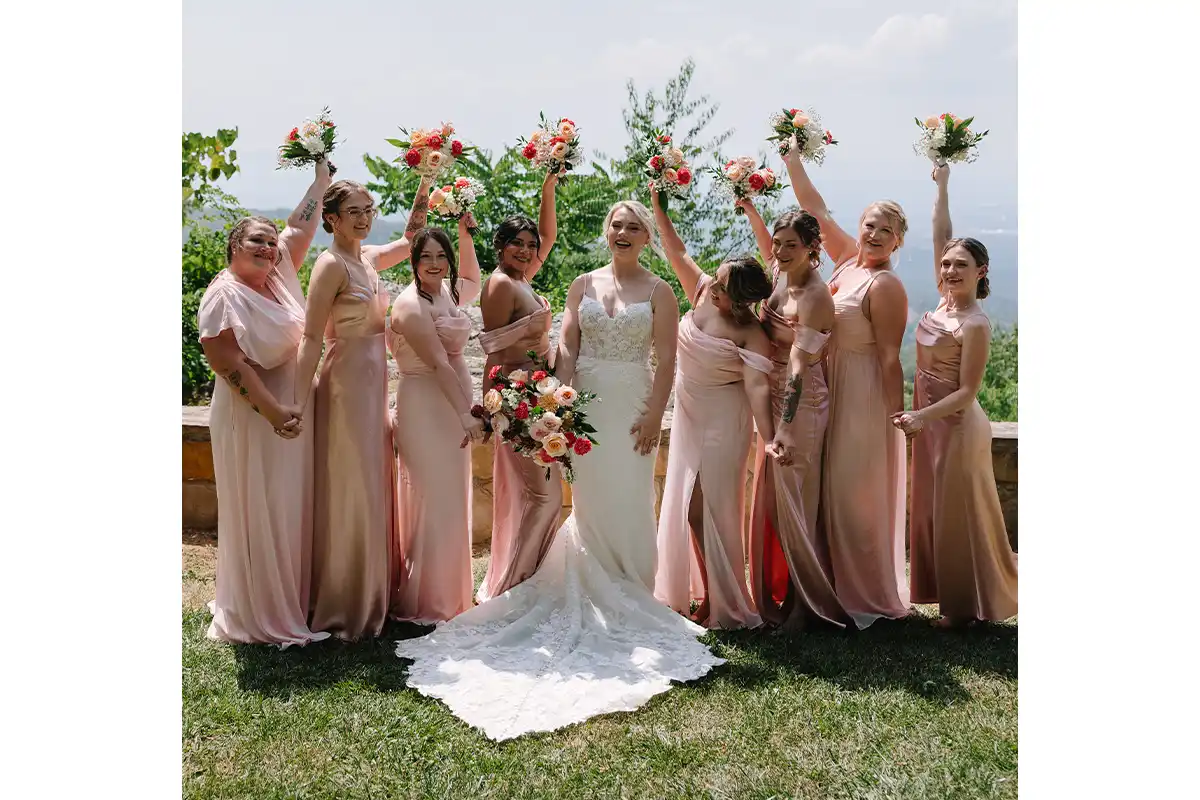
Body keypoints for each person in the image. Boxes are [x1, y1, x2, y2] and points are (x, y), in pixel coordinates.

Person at [394, 199, 723, 742]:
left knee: (631, 494)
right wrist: (560, 404)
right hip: (585, 405)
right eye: (616, 224)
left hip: (633, 404)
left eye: (633, 227)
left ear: (645, 237)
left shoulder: (661, 292)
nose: (622, 232)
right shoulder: (582, 284)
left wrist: (653, 415)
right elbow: (567, 345)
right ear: (607, 231)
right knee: (590, 499)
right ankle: (583, 581)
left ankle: (632, 586)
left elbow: (667, 360)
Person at [199, 160, 333, 647]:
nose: (266, 247)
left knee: (288, 505)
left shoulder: (277, 278)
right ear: (235, 246)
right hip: (253, 413)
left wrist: (320, 182)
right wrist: (274, 414)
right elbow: (228, 363)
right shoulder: (224, 296)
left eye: (269, 242)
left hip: (291, 410)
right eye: (255, 240)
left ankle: (293, 596)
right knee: (262, 507)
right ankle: (259, 609)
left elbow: (299, 227)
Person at [781, 133, 911, 626]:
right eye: (870, 225)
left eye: (887, 231)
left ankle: (864, 591)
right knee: (823, 490)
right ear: (859, 229)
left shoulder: (887, 285)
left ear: (898, 240)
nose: (876, 235)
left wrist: (896, 416)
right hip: (825, 384)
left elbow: (891, 358)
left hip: (862, 393)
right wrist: (792, 159)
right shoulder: (849, 260)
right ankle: (825, 582)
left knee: (852, 490)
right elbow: (812, 206)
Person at [296, 177, 431, 640]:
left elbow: (413, 238)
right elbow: (312, 336)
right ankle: (343, 602)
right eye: (354, 210)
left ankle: (374, 592)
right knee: (350, 485)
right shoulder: (329, 265)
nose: (364, 217)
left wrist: (427, 179)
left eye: (368, 208)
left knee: (373, 481)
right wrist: (297, 398)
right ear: (331, 218)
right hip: (345, 387)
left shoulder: (369, 259)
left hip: (374, 385)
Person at [892, 164, 1018, 628]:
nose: (949, 270)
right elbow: (941, 230)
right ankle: (950, 594)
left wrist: (921, 415)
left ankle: (964, 611)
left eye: (961, 265)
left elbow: (968, 392)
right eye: (946, 263)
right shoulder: (945, 300)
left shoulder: (975, 323)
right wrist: (942, 184)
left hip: (957, 427)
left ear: (981, 271)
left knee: (959, 516)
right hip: (931, 426)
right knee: (937, 514)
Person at [648, 188, 774, 630]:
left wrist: (770, 436)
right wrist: (659, 208)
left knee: (714, 511)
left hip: (725, 424)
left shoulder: (751, 334)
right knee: (688, 509)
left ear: (741, 301)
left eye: (723, 287)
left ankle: (727, 602)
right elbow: (676, 250)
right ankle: (707, 593)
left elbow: (759, 390)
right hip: (689, 416)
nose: (713, 286)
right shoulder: (702, 294)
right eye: (716, 280)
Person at [737, 200, 858, 631]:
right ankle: (777, 595)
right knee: (773, 500)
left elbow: (799, 366)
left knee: (795, 504)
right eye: (777, 244)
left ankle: (807, 608)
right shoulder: (779, 278)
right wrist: (749, 206)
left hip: (801, 406)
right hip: (769, 400)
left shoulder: (815, 296)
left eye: (791, 245)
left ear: (812, 248)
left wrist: (784, 428)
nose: (780, 251)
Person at [387, 219, 485, 624]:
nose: (434, 263)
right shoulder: (409, 305)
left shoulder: (446, 291)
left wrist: (465, 235)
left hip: (451, 404)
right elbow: (440, 363)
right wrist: (469, 415)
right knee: (432, 500)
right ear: (411, 261)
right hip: (426, 406)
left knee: (451, 500)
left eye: (440, 256)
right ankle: (426, 601)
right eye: (424, 256)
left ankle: (452, 594)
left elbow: (472, 278)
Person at [474, 172, 562, 602]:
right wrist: (491, 405)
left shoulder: (524, 278)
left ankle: (535, 578)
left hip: (538, 393)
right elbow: (492, 347)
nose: (527, 251)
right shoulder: (500, 283)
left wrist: (548, 182)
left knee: (544, 492)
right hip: (515, 397)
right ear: (500, 246)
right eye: (517, 244)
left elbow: (549, 234)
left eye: (530, 246)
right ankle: (516, 588)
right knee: (543, 495)